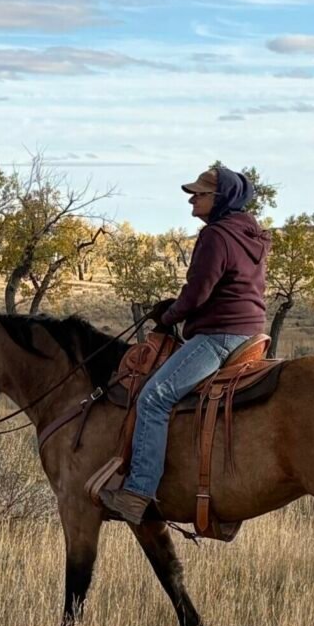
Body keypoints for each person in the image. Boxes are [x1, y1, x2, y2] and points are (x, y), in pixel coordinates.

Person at [99, 166, 272, 525]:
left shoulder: (216, 236)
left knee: (154, 396)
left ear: (221, 198)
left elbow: (198, 293)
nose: (192, 199)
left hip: (219, 337)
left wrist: (169, 316)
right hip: (251, 334)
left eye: (200, 193)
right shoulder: (252, 235)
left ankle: (138, 493)